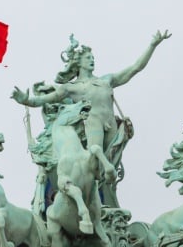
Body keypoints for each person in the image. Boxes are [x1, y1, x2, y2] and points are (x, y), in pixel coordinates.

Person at [12, 31, 171, 206]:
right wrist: (25, 100)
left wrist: (153, 45)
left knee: (107, 166)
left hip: (112, 126)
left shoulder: (106, 80)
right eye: (88, 57)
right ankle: (92, 201)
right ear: (78, 62)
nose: (92, 60)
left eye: (93, 57)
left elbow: (135, 68)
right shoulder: (70, 87)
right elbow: (44, 100)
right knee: (96, 157)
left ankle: (103, 201)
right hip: (92, 123)